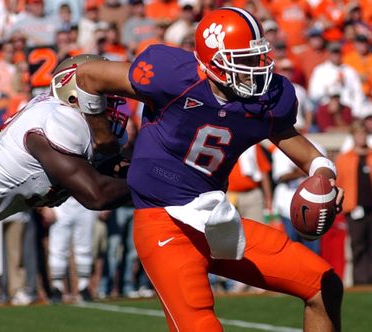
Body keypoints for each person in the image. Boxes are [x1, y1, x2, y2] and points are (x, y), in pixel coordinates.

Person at [76, 7, 344, 331]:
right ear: (213, 61)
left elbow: (296, 144)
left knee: (323, 284)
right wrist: (104, 144)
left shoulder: (267, 99)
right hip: (165, 225)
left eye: (256, 58)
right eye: (243, 61)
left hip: (217, 221)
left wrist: (324, 176)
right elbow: (88, 75)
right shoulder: (172, 76)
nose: (255, 69)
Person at [0, 54, 131, 330]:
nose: (113, 105)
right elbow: (97, 194)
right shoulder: (58, 120)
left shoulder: (62, 115)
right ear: (74, 95)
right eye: (104, 95)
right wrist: (164, 186)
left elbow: (109, 174)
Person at [336, 120, 372, 285]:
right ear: (353, 136)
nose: (361, 137)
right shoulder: (344, 159)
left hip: (370, 208)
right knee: (358, 245)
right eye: (358, 134)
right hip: (354, 209)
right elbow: (339, 184)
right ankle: (360, 281)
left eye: (363, 133)